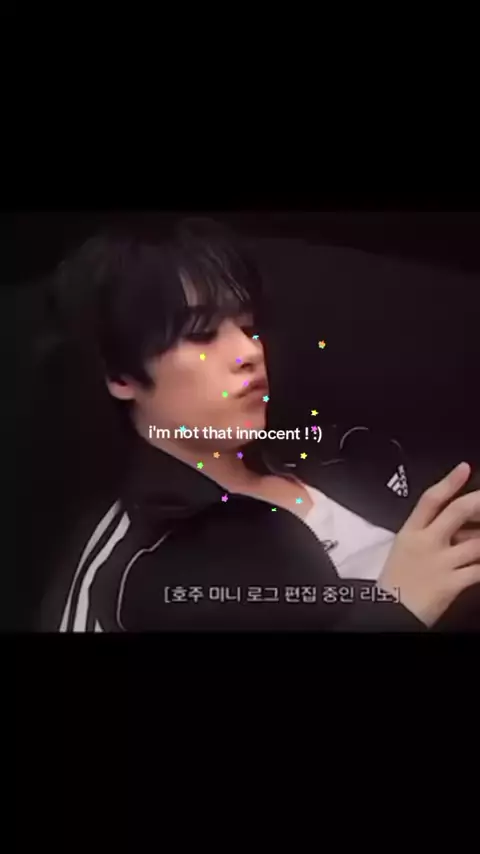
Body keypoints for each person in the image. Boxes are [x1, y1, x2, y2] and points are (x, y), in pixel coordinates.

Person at [39, 218, 480, 631]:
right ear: (121, 375)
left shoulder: (324, 449)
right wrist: (396, 609)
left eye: (248, 327)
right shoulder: (134, 570)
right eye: (201, 334)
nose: (250, 352)